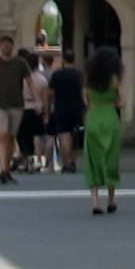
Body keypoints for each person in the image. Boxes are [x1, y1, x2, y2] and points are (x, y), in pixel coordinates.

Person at [82, 44, 125, 215]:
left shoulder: (88, 80)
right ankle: (111, 200)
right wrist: (112, 103)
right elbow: (123, 101)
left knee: (92, 160)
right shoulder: (115, 80)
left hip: (93, 117)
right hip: (110, 117)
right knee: (110, 158)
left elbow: (86, 102)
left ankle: (95, 202)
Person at [0, 33, 26, 185]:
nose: (6, 47)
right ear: (0, 47)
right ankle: (3, 169)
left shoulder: (21, 63)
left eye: (8, 44)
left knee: (10, 137)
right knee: (1, 136)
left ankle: (7, 168)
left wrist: (36, 100)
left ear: (12, 46)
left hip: (16, 105)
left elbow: (29, 81)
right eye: (3, 45)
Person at [48, 45, 86, 174]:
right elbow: (83, 92)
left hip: (61, 108)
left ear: (63, 60)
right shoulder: (79, 74)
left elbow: (50, 93)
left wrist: (48, 108)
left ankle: (66, 163)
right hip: (76, 108)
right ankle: (73, 162)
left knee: (64, 136)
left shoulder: (57, 75)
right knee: (74, 136)